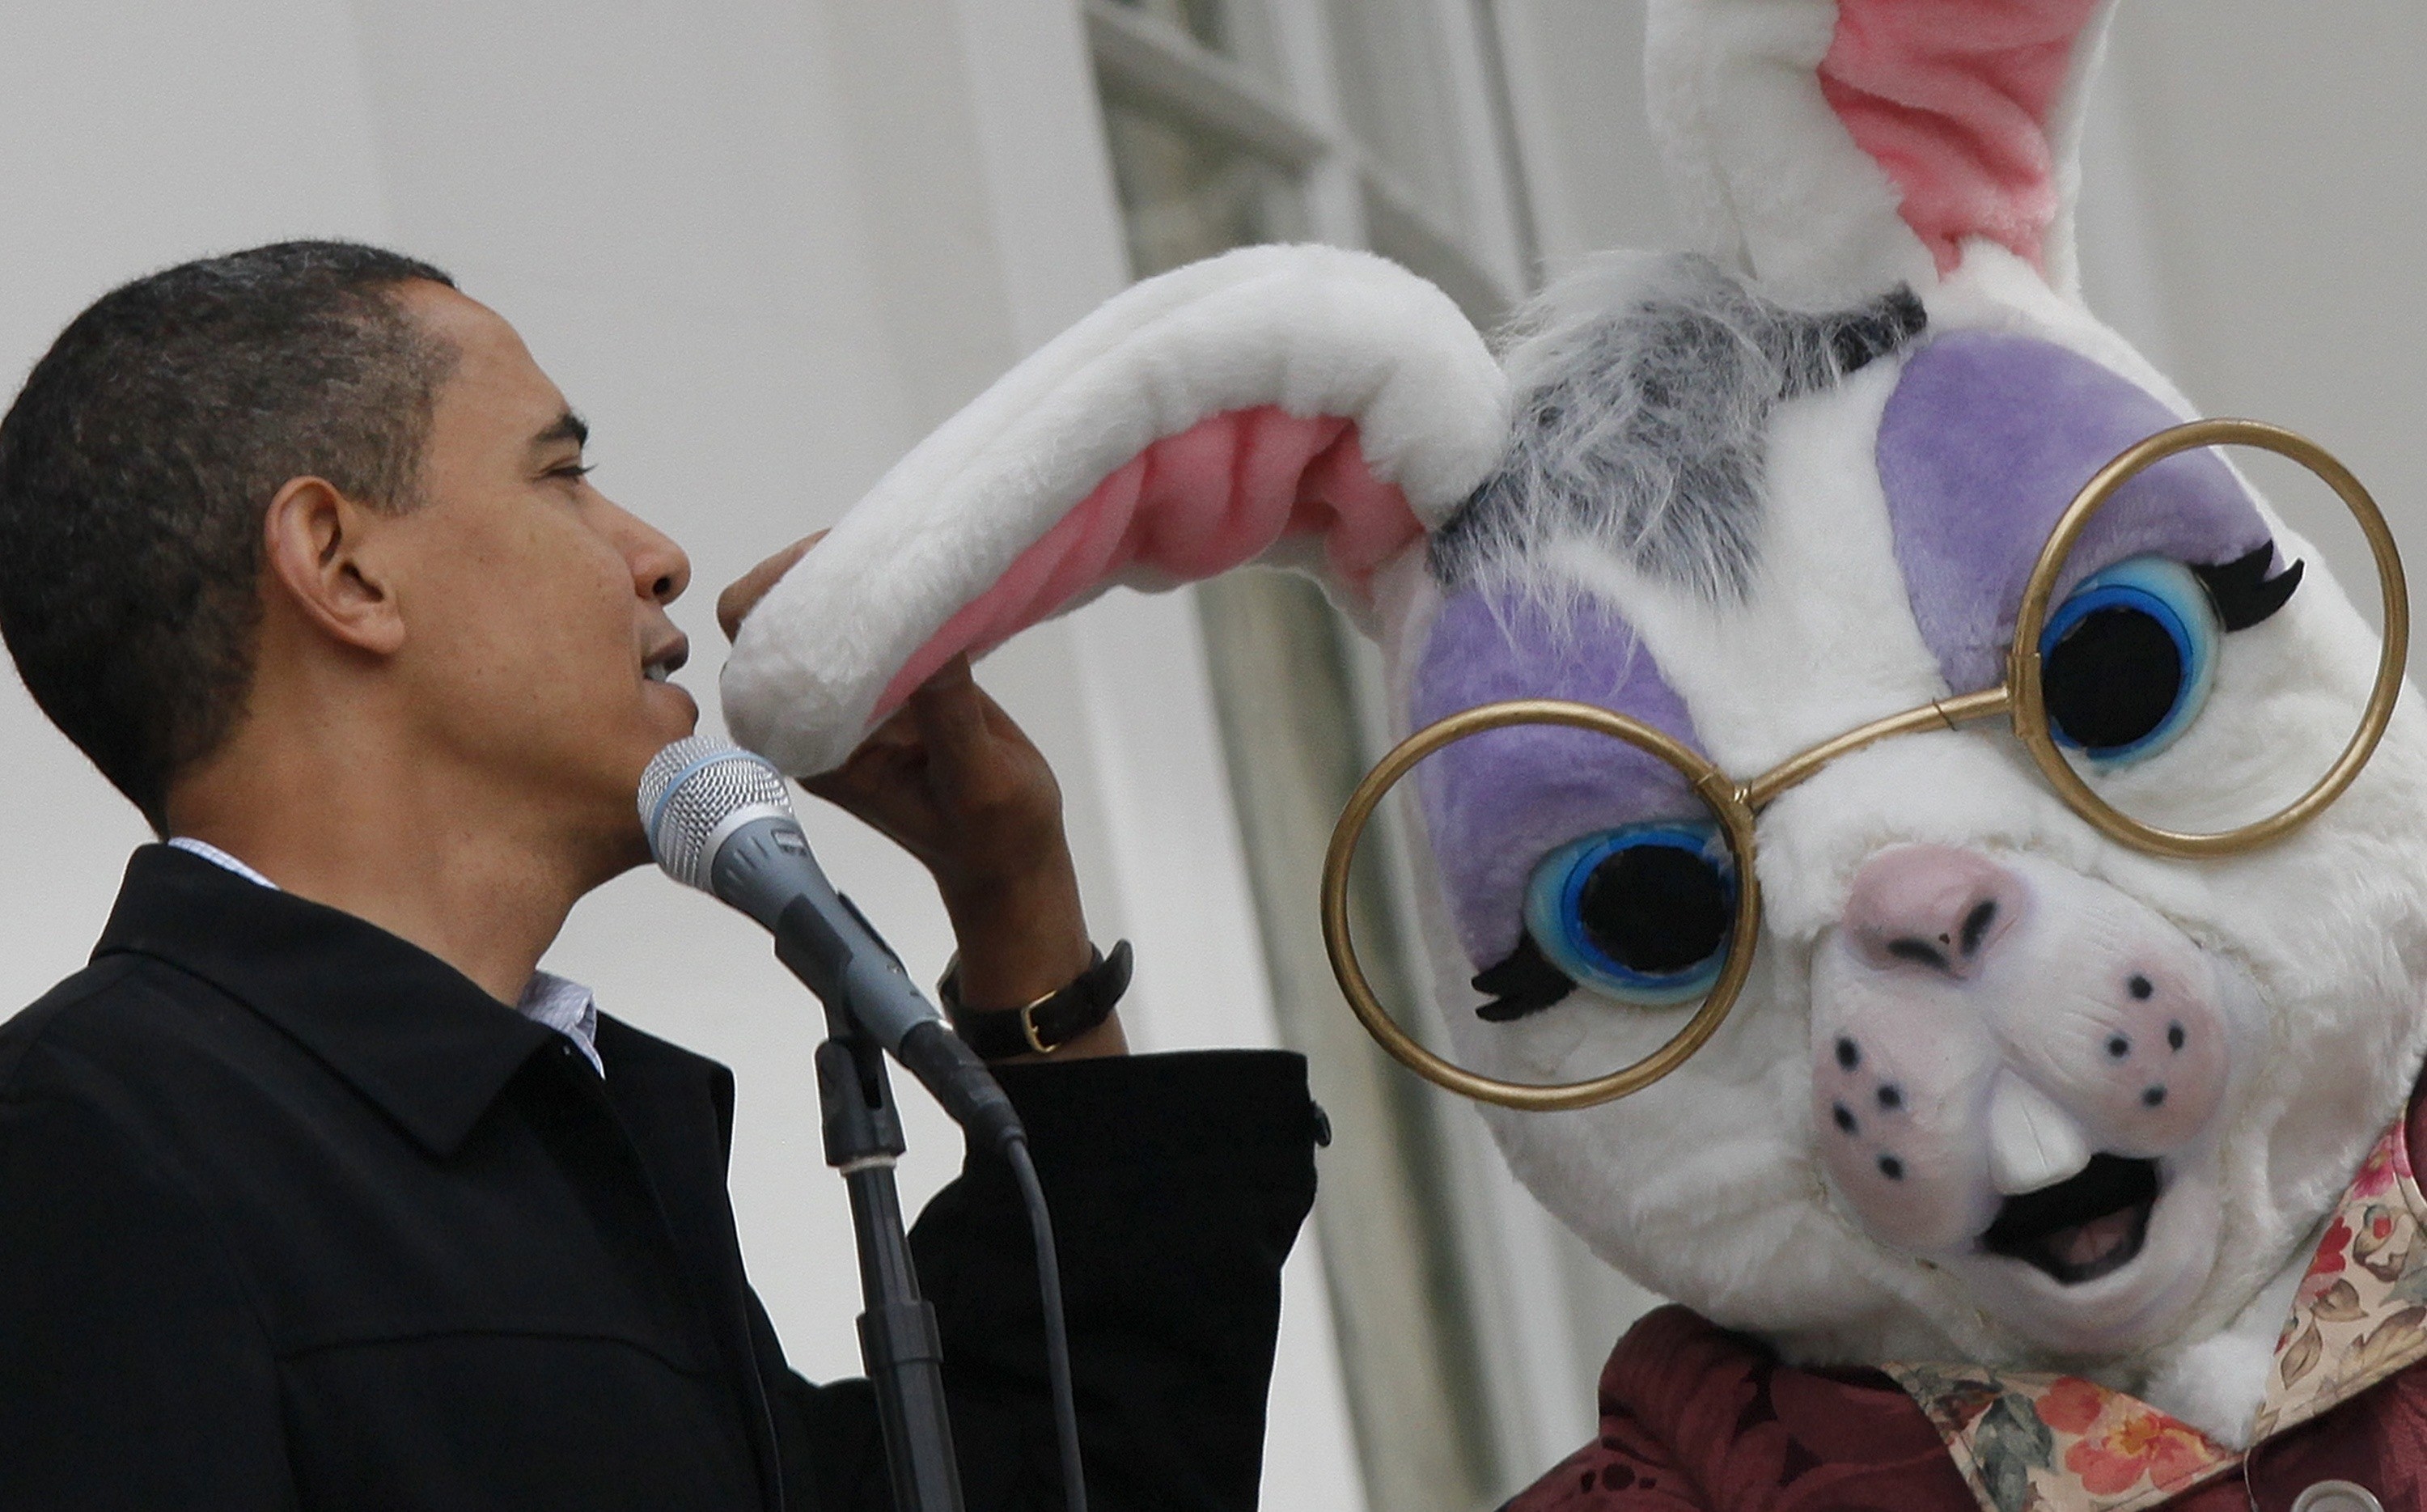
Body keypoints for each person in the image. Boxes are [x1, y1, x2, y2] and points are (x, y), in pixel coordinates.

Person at [0, 241, 1322, 1511]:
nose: (658, 553)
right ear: (343, 567)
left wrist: (1014, 891)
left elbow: (1069, 1484)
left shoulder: (560, 1129)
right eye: (563, 474)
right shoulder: (86, 1141)